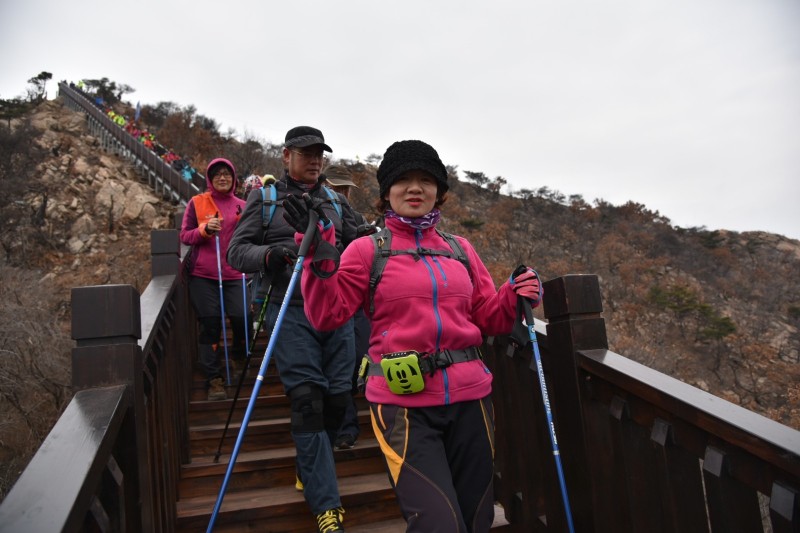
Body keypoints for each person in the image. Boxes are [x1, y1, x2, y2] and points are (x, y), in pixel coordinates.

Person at [283, 140, 542, 532]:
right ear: (386, 193)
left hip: (472, 400)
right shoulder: (366, 250)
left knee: (478, 519)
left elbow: (488, 317)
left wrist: (514, 291)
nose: (415, 188)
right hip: (402, 405)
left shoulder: (460, 249)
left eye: (426, 179)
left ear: (440, 191)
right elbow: (326, 314)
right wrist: (320, 258)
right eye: (403, 180)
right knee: (438, 522)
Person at [227, 126, 358, 533]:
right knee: (307, 401)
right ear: (286, 156)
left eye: (320, 153)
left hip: (336, 311)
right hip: (290, 310)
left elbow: (360, 243)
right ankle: (326, 507)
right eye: (305, 153)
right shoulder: (264, 199)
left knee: (338, 399)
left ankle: (310, 468)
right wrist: (271, 253)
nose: (315, 160)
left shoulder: (335, 200)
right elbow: (236, 252)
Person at [180, 158, 249, 401]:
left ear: (234, 178)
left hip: (235, 273)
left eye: (227, 174)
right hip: (203, 275)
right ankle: (214, 378)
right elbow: (185, 236)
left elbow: (252, 236)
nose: (222, 178)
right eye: (217, 174)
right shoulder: (197, 203)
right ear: (210, 178)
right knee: (210, 324)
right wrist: (204, 230)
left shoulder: (242, 205)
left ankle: (240, 354)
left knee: (243, 317)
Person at [322, 165, 373, 450]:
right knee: (338, 365)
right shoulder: (315, 214)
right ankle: (346, 427)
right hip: (329, 301)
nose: (340, 193)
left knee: (359, 360)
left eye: (344, 188)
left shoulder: (358, 218)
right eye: (335, 187)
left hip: (358, 302)